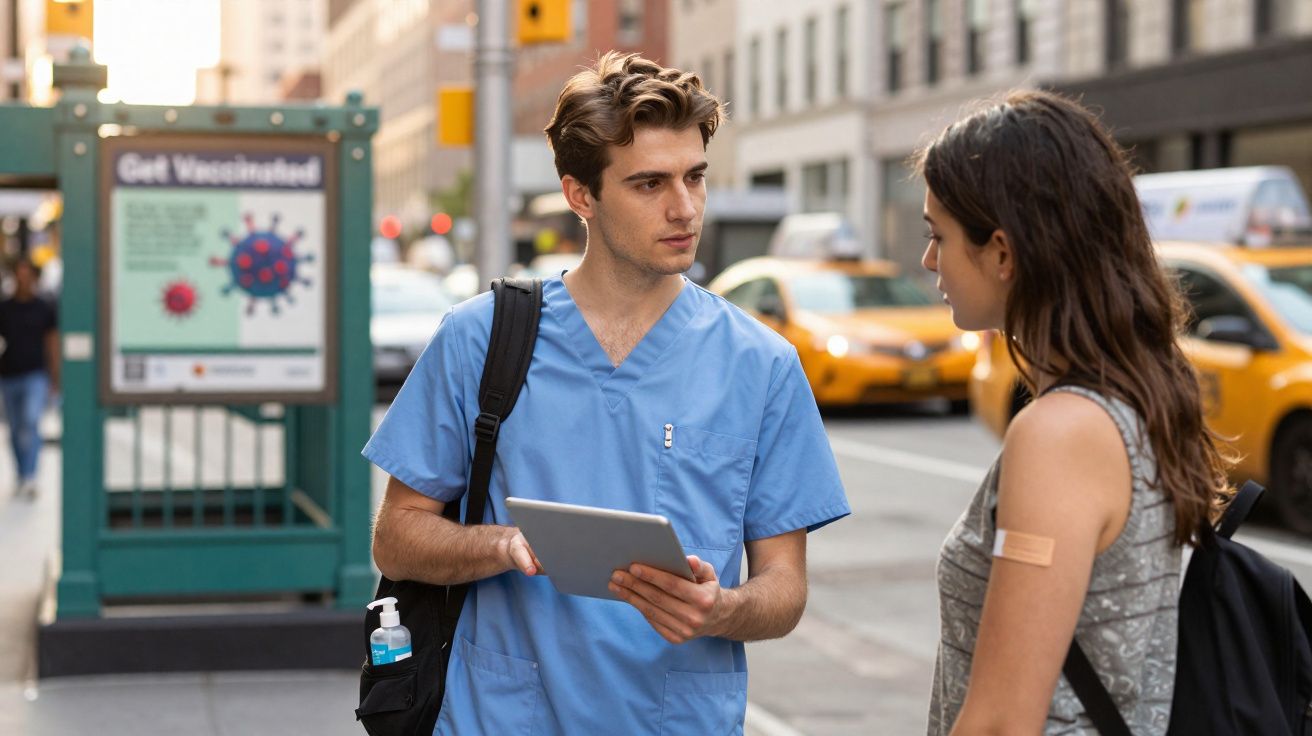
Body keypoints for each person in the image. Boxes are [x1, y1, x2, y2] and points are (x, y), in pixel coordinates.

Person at [364, 52, 849, 734]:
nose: (684, 208)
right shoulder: (481, 338)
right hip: (499, 718)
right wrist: (501, 545)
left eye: (695, 177)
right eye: (649, 184)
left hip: (673, 720)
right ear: (579, 195)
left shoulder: (760, 363)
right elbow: (397, 539)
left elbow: (784, 588)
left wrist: (721, 610)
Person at [918, 90, 1231, 734]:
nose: (929, 261)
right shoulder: (1136, 393)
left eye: (938, 235)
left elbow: (1004, 721)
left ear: (1002, 252)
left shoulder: (1060, 433)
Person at [0, 256, 59, 500]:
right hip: (8, 375)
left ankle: (31, 476)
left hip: (36, 373)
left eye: (27, 275)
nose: (22, 280)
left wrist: (55, 378)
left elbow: (52, 342)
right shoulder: (4, 307)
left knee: (31, 421)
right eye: (18, 275)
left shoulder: (45, 307)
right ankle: (21, 473)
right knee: (14, 429)